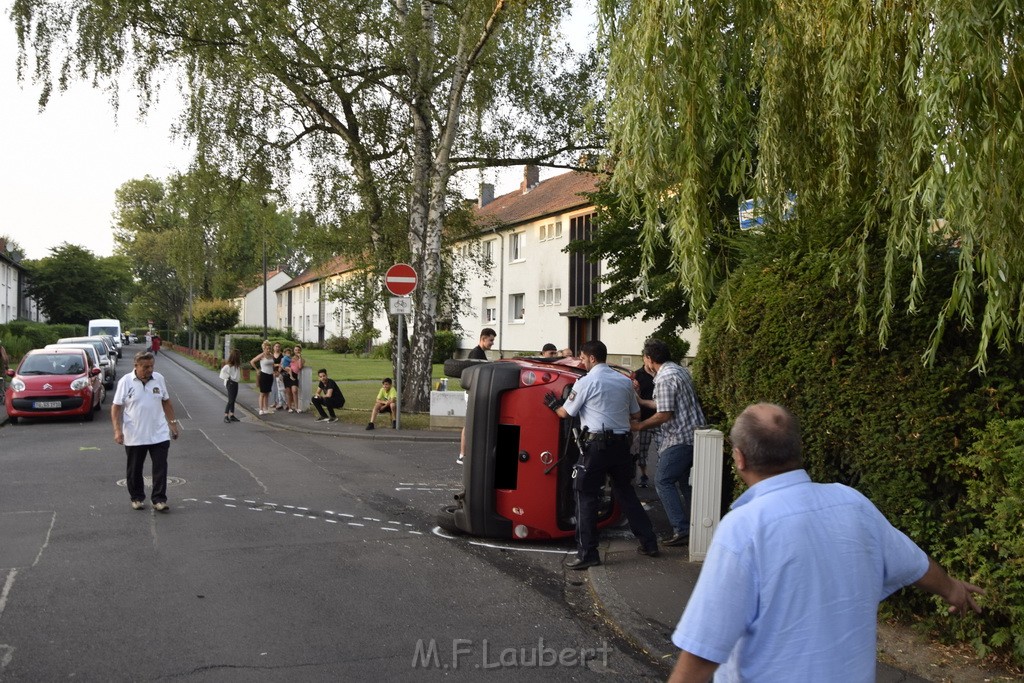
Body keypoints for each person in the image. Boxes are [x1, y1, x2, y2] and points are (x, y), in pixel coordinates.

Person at [668, 403, 984, 683]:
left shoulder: (743, 529)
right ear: (796, 450)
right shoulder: (851, 503)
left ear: (739, 458)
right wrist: (951, 588)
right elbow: (913, 564)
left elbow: (704, 649)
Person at [545, 339, 660, 569]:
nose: (581, 361)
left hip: (596, 448)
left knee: (585, 496)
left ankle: (588, 553)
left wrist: (553, 405)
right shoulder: (624, 382)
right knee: (625, 493)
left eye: (582, 358)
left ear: (592, 358)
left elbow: (565, 414)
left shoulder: (585, 382)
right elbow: (636, 415)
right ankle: (649, 543)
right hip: (621, 447)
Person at [631, 338, 705, 547]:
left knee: (662, 481)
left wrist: (639, 426)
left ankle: (681, 529)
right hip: (694, 435)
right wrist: (642, 402)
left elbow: (664, 414)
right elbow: (664, 403)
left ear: (649, 359)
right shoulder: (678, 370)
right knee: (683, 482)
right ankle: (696, 526)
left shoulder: (664, 378)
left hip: (679, 438)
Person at [110, 351, 180, 512]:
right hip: (135, 435)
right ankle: (137, 497)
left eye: (152, 366)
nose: (149, 370)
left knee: (160, 468)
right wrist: (117, 430)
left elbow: (166, 402)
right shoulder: (125, 381)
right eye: (145, 367)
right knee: (134, 469)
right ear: (136, 366)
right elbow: (116, 407)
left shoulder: (159, 379)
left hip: (159, 433)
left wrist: (173, 424)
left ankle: (159, 499)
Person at [458, 328, 497, 464]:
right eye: (491, 340)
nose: (492, 343)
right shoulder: (476, 353)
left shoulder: (481, 353)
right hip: (472, 392)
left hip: (474, 391)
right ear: (483, 338)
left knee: (472, 422)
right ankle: (463, 454)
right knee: (469, 423)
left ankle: (467, 453)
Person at [630, 364, 655, 487]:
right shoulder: (637, 375)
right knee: (642, 450)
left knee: (664, 450)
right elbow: (633, 396)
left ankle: (663, 477)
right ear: (646, 358)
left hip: (662, 419)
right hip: (645, 420)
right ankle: (644, 475)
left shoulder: (660, 372)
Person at [249, 341, 275, 415]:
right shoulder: (262, 355)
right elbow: (252, 361)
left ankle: (266, 408)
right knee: (262, 393)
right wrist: (257, 370)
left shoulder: (271, 355)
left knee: (267, 393)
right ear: (264, 349)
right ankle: (261, 409)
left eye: (269, 349)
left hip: (270, 375)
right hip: (264, 375)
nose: (268, 350)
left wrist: (273, 371)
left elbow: (272, 364)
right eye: (267, 349)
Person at [219, 349, 242, 423]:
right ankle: (226, 415)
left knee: (233, 400)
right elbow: (222, 372)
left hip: (235, 382)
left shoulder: (236, 365)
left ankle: (232, 415)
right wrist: (228, 377)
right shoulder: (228, 366)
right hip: (231, 383)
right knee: (230, 400)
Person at [289, 345, 305, 412]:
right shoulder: (290, 358)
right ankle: (289, 406)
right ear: (294, 351)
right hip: (288, 375)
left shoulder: (302, 359)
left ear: (300, 351)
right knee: (288, 392)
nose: (297, 351)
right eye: (296, 350)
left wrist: (300, 357)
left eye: (298, 350)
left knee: (295, 390)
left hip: (294, 376)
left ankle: (296, 407)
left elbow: (300, 367)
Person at [280, 347, 296, 412]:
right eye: (287, 353)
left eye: (289, 353)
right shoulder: (286, 358)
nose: (288, 354)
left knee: (291, 392)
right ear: (285, 353)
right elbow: (291, 361)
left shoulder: (285, 358)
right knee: (288, 391)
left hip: (287, 371)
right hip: (285, 373)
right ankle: (289, 406)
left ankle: (291, 406)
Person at [271, 342, 286, 410]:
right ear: (273, 347)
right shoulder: (271, 355)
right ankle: (274, 402)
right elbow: (271, 364)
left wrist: (278, 372)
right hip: (272, 373)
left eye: (278, 346)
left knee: (280, 388)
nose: (277, 348)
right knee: (273, 388)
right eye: (276, 346)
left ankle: (282, 403)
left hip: (280, 374)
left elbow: (282, 364)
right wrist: (276, 365)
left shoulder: (282, 355)